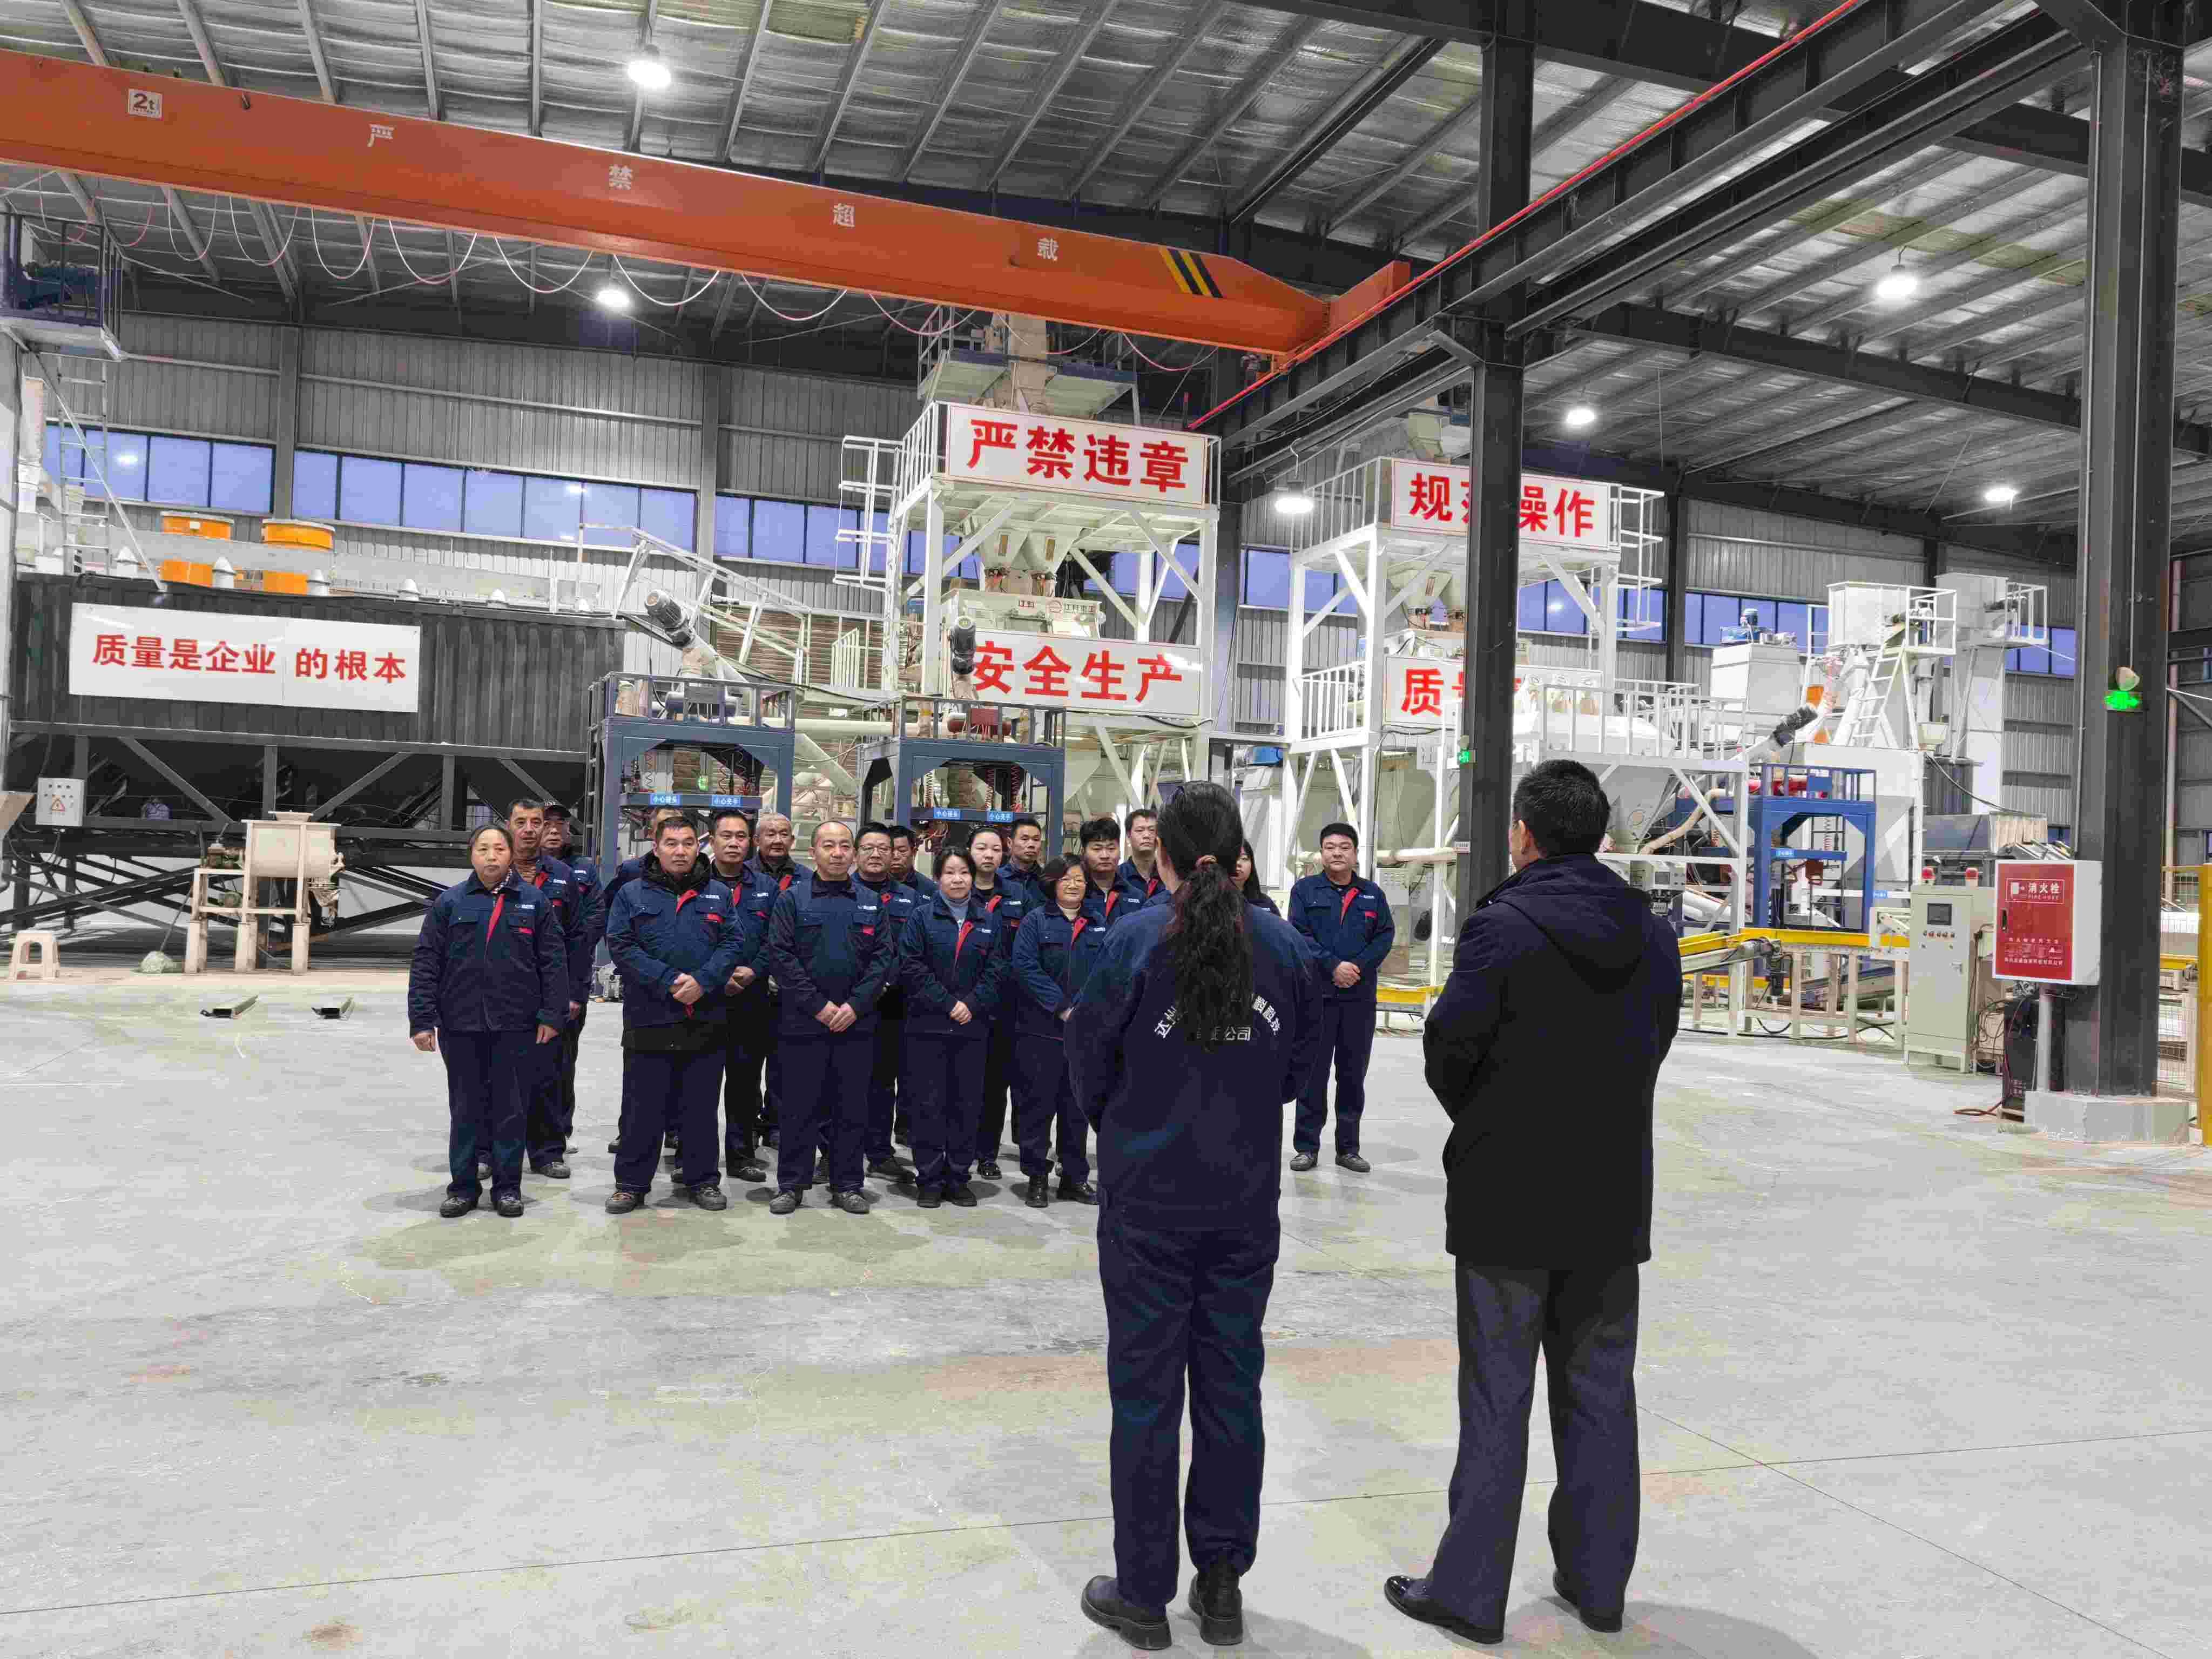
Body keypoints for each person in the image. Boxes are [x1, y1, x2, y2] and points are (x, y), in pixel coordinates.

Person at [1385, 760, 1681, 1647]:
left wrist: (1493, 1121)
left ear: (1523, 834)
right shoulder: (1650, 931)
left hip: (1507, 1201)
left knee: (1497, 1398)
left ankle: (1469, 1594)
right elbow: (1656, 1039)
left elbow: (1449, 1047)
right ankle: (1598, 1583)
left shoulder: (1502, 927)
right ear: (1600, 834)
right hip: (1610, 1200)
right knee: (1601, 1394)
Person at [1067, 781, 1321, 1652]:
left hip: (1147, 1205)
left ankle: (1143, 1595)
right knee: (1230, 1390)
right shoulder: (1286, 948)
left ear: (1161, 854)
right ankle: (1221, 1586)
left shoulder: (1134, 940)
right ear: (1238, 851)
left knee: (1145, 1398)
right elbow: (1299, 1073)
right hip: (1242, 1204)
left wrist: (1130, 1123)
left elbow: (1088, 1060)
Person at [408, 824, 567, 1220]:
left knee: (511, 1110)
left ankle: (508, 1189)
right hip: (461, 1024)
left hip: (516, 1024)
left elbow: (553, 961)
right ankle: (462, 1188)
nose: (491, 856)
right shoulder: (450, 903)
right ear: (471, 855)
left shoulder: (534, 902)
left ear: (511, 855)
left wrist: (552, 1014)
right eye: (483, 849)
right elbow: (427, 962)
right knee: (465, 1110)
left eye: (499, 848)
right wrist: (422, 1020)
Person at [602, 815, 748, 1213]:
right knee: (642, 1108)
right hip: (649, 1016)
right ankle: (631, 1184)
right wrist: (667, 980)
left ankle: (703, 1180)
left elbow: (733, 943)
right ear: (656, 847)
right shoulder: (631, 893)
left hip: (705, 1016)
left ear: (698, 847)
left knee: (700, 1107)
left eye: (687, 843)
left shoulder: (718, 893)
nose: (680, 851)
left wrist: (703, 980)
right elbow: (621, 945)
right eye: (671, 843)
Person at [765, 820, 892, 1215]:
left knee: (852, 1109)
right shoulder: (792, 900)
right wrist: (818, 1006)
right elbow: (781, 957)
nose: (837, 853)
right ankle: (792, 1184)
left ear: (853, 853)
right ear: (813, 852)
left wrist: (855, 1006)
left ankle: (848, 1183)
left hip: (856, 1026)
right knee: (798, 1108)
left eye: (844, 846)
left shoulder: (871, 903)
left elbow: (883, 959)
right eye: (828, 845)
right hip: (804, 1025)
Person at [895, 846, 1008, 1208]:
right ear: (938, 878)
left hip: (971, 1029)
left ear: (973, 878)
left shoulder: (989, 920)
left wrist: (971, 1005)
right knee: (927, 1105)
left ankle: (958, 1177)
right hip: (927, 1027)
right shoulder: (921, 917)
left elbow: (997, 970)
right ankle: (929, 1179)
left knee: (966, 1106)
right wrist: (948, 1003)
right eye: (949, 873)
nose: (957, 880)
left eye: (964, 873)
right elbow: (912, 966)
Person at [1287, 822, 1395, 1175]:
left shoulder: (1372, 894)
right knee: (1313, 1076)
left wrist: (1356, 968)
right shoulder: (1305, 891)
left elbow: (1385, 936)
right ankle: (1307, 1147)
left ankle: (1348, 1148)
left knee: (1352, 1076)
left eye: (1344, 847)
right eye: (1330, 847)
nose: (1337, 853)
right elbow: (1299, 934)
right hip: (1317, 998)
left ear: (1355, 853)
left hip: (1358, 1001)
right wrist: (1333, 965)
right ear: (1321, 853)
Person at [1007, 857, 1102, 1208]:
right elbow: (1025, 966)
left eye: (1079, 879)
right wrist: (1062, 1006)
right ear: (1052, 884)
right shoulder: (1035, 921)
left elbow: (1107, 971)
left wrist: (1084, 1010)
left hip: (1081, 1035)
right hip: (1039, 1032)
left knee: (1077, 1109)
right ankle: (1036, 1176)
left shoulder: (1099, 924)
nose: (1074, 885)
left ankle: (1074, 1178)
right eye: (1066, 879)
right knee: (1037, 1107)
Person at [508, 798, 588, 1180]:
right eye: (521, 822)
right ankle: (491, 1150)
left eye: (536, 822)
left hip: (549, 993)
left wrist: (574, 994)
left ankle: (547, 1152)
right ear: (509, 826)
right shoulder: (494, 869)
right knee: (498, 1077)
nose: (529, 829)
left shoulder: (562, 876)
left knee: (550, 1075)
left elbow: (577, 939)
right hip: (503, 993)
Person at [705, 810, 771, 1186]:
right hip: (705, 998)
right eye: (726, 836)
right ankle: (693, 1155)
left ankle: (742, 1156)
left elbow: (778, 938)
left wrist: (753, 971)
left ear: (751, 842)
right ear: (712, 841)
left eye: (741, 836)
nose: (734, 843)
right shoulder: (695, 882)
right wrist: (716, 975)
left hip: (751, 1000)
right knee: (699, 1082)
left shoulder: (767, 888)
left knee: (745, 1083)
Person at [853, 823, 916, 1183]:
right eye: (868, 848)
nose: (876, 855)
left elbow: (911, 950)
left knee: (882, 1083)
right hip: (847, 1004)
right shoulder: (841, 892)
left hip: (891, 1003)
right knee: (840, 1081)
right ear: (856, 853)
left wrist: (885, 982)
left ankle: (879, 1153)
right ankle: (833, 1154)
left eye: (884, 849)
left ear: (894, 855)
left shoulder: (911, 898)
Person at [967, 825, 1031, 1179]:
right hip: (964, 1003)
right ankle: (958, 1148)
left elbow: (1029, 945)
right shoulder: (956, 890)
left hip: (1005, 1005)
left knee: (995, 1085)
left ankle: (987, 1154)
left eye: (994, 849)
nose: (988, 855)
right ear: (970, 851)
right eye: (981, 848)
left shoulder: (1018, 894)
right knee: (962, 1082)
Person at [746, 811, 804, 1150]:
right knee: (748, 1061)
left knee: (784, 1063)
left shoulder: (806, 879)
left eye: (784, 834)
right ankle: (749, 1121)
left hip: (791, 988)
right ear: (757, 840)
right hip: (751, 984)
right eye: (770, 834)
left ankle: (776, 1123)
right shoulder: (743, 876)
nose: (778, 840)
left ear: (792, 840)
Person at [541, 804, 599, 1148]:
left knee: (563, 1062)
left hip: (568, 977)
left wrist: (574, 983)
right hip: (525, 980)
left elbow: (593, 921)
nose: (553, 830)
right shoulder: (516, 867)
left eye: (560, 824)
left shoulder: (584, 870)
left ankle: (558, 1133)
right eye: (545, 823)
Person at [1078, 817, 1132, 930]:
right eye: (1097, 849)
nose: (1105, 856)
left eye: (1111, 849)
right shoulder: (1074, 893)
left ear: (1120, 851)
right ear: (1083, 853)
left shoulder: (1135, 896)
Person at [1116, 807, 1163, 906]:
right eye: (1140, 830)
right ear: (1128, 837)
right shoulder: (1117, 877)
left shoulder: (1168, 876)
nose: (1147, 835)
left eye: (1152, 830)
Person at [1006, 815, 1048, 906]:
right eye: (1025, 839)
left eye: (1036, 839)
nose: (1031, 845)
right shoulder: (997, 879)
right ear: (1010, 843)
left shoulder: (1048, 881)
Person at [889, 823, 938, 900]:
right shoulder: (873, 884)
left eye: (902, 851)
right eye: (890, 850)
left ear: (914, 852)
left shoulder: (931, 889)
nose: (896, 856)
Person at [1235, 840, 1278, 917]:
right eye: (1233, 858)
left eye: (1244, 858)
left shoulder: (1265, 903)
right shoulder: (1214, 900)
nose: (1238, 863)